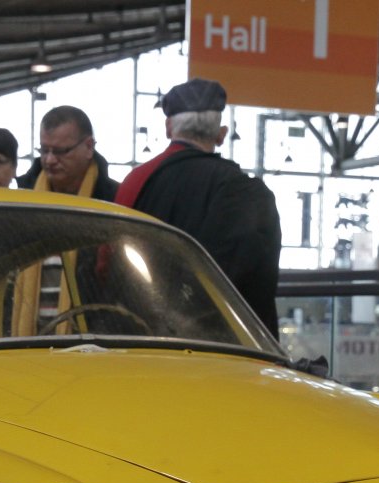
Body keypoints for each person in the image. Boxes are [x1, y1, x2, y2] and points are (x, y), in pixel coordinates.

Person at [115, 77, 283, 336]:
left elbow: (108, 262)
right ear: (221, 134)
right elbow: (257, 285)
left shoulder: (136, 181)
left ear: (169, 128)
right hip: (219, 343)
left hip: (143, 333)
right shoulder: (248, 193)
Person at [17, 106, 119, 201]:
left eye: (60, 151)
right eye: (44, 150)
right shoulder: (19, 195)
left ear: (89, 147)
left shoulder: (118, 200)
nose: (49, 160)